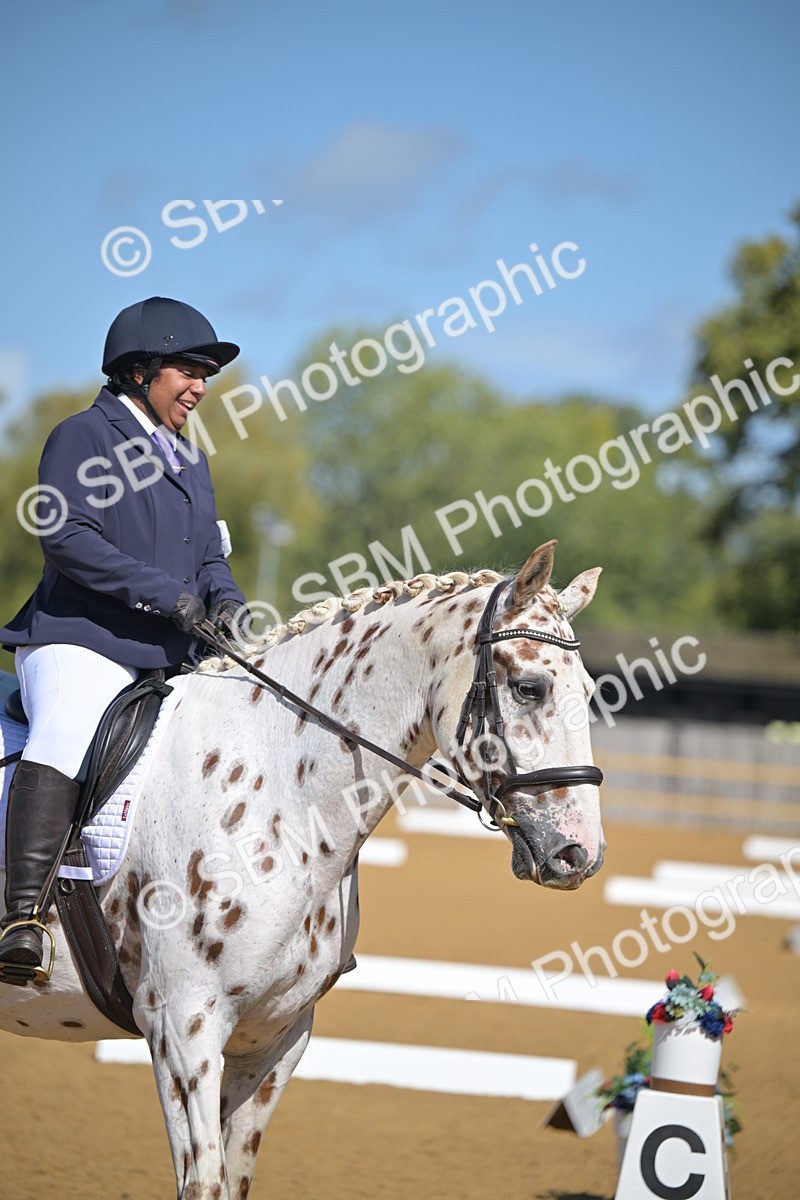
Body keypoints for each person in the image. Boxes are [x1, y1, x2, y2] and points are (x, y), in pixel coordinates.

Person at [0, 297, 247, 982]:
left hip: (167, 656)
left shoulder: (192, 463)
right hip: (82, 641)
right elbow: (67, 536)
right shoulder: (86, 436)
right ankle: (21, 913)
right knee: (69, 727)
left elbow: (210, 559)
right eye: (189, 370)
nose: (201, 387)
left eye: (207, 375)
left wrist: (227, 604)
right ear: (141, 371)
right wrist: (168, 596)